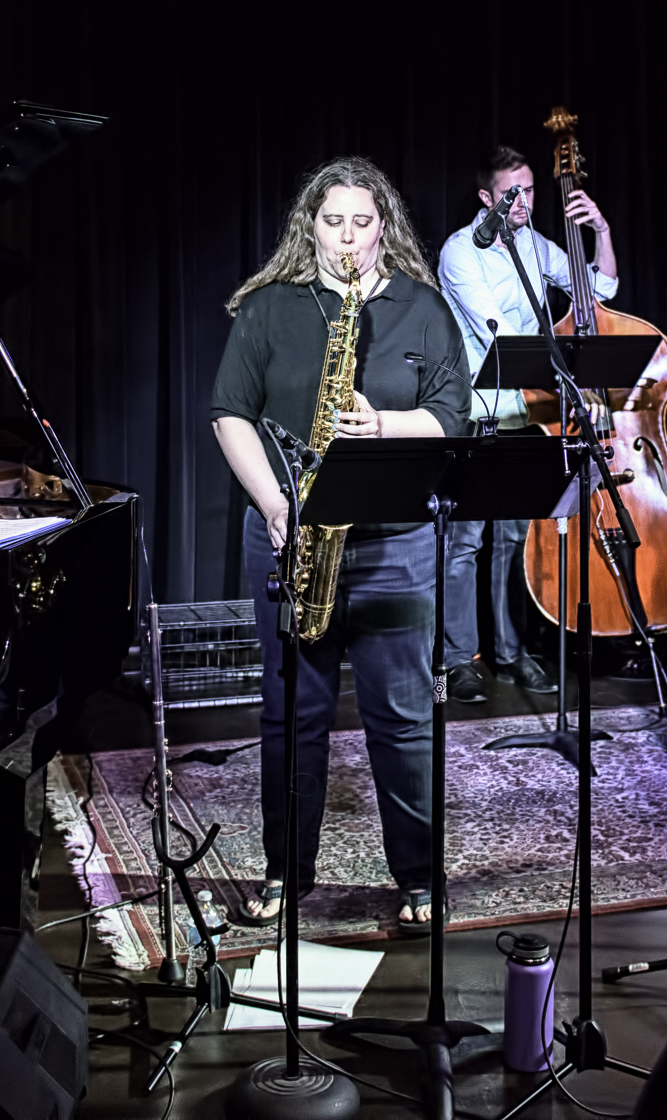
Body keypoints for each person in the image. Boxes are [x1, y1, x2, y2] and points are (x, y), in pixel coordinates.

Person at [210, 158, 472, 932]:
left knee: (403, 717)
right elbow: (230, 412)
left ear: (382, 224)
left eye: (363, 221)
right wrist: (273, 503)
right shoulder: (271, 307)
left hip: (394, 541)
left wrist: (382, 424)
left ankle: (422, 878)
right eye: (333, 221)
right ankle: (288, 870)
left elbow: (451, 415)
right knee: (292, 715)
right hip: (291, 532)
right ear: (310, 226)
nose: (348, 237)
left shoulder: (423, 307)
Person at [434, 144, 621, 701]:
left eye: (531, 190)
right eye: (512, 193)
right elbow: (498, 337)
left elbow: (600, 288)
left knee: (514, 539)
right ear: (487, 197)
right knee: (465, 541)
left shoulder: (537, 246)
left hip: (526, 414)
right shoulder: (461, 251)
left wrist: (603, 231)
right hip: (478, 411)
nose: (524, 202)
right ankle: (457, 659)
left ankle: (512, 653)